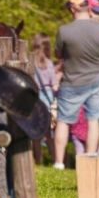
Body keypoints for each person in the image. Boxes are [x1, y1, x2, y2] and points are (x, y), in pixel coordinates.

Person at [53, 0, 99, 169]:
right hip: (96, 81)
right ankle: (90, 158)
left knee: (63, 120)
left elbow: (58, 54)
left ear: (73, 7)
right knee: (93, 120)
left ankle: (59, 162)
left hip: (71, 82)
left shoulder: (64, 31)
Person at [30, 32, 59, 164]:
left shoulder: (30, 62)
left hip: (34, 99)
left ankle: (37, 160)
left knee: (35, 134)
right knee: (49, 135)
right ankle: (55, 160)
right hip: (47, 100)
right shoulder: (48, 63)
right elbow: (54, 85)